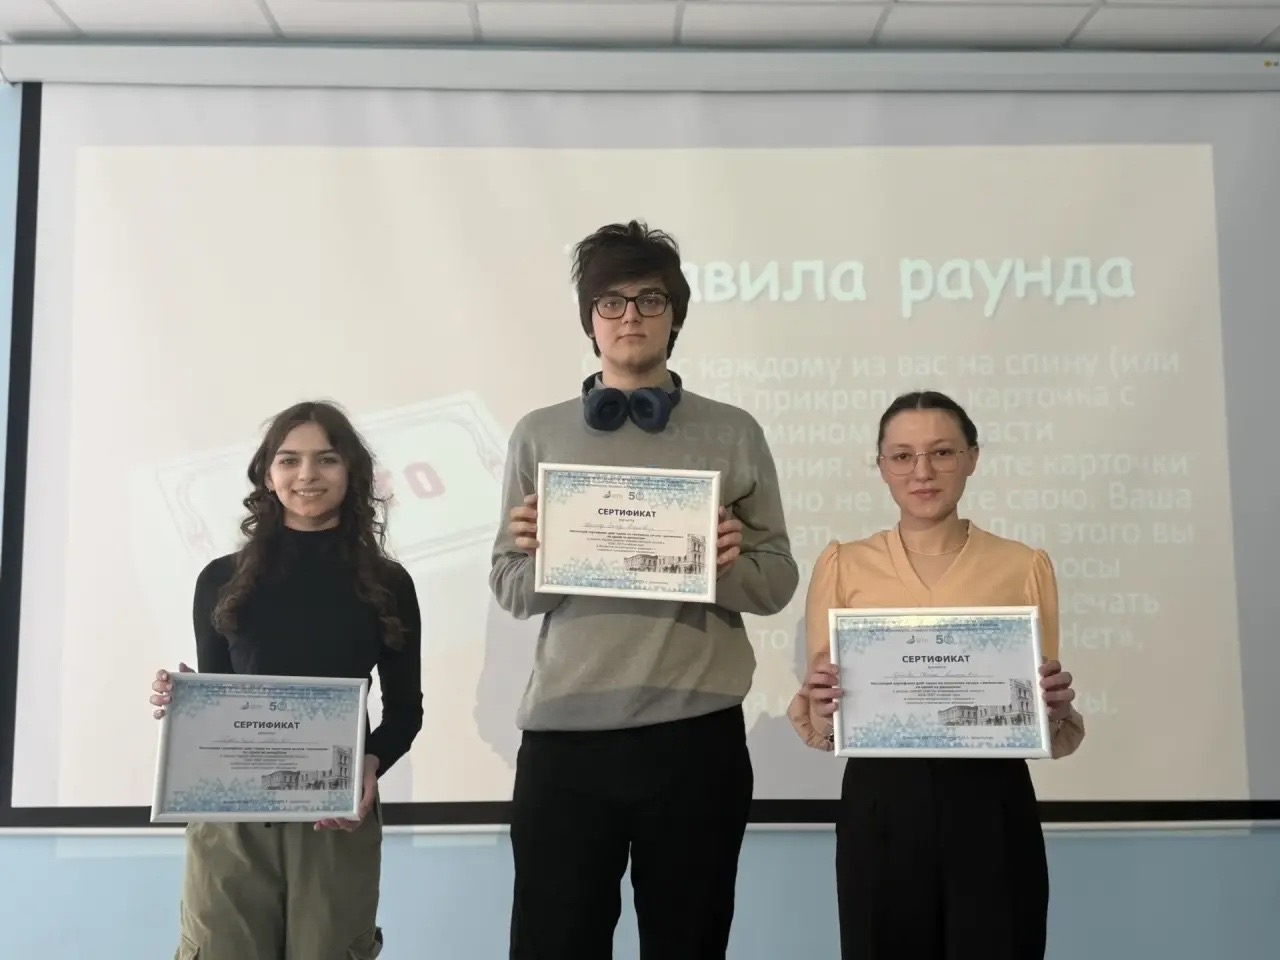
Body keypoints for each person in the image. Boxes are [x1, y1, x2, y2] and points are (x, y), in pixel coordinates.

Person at [490, 220, 799, 959]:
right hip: (567, 740)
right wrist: (547, 555)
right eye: (612, 301)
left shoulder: (733, 431)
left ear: (675, 315)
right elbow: (511, 587)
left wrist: (718, 564)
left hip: (696, 738)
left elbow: (777, 581)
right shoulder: (539, 434)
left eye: (650, 300)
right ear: (590, 320)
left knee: (689, 943)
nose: (630, 316)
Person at [789, 389, 1085, 960]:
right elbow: (824, 715)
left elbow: (1036, 702)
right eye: (902, 456)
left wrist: (1052, 707)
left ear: (972, 458)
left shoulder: (1022, 566)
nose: (922, 471)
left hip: (991, 801)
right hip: (881, 802)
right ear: (882, 467)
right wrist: (824, 708)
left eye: (942, 452)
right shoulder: (844, 565)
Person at [148, 400, 423, 960]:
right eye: (289, 460)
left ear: (351, 472)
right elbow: (223, 700)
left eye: (327, 459)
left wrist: (371, 763)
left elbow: (405, 711)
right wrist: (188, 701)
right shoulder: (220, 579)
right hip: (231, 820)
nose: (307, 475)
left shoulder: (388, 583)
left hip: (333, 817)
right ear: (268, 475)